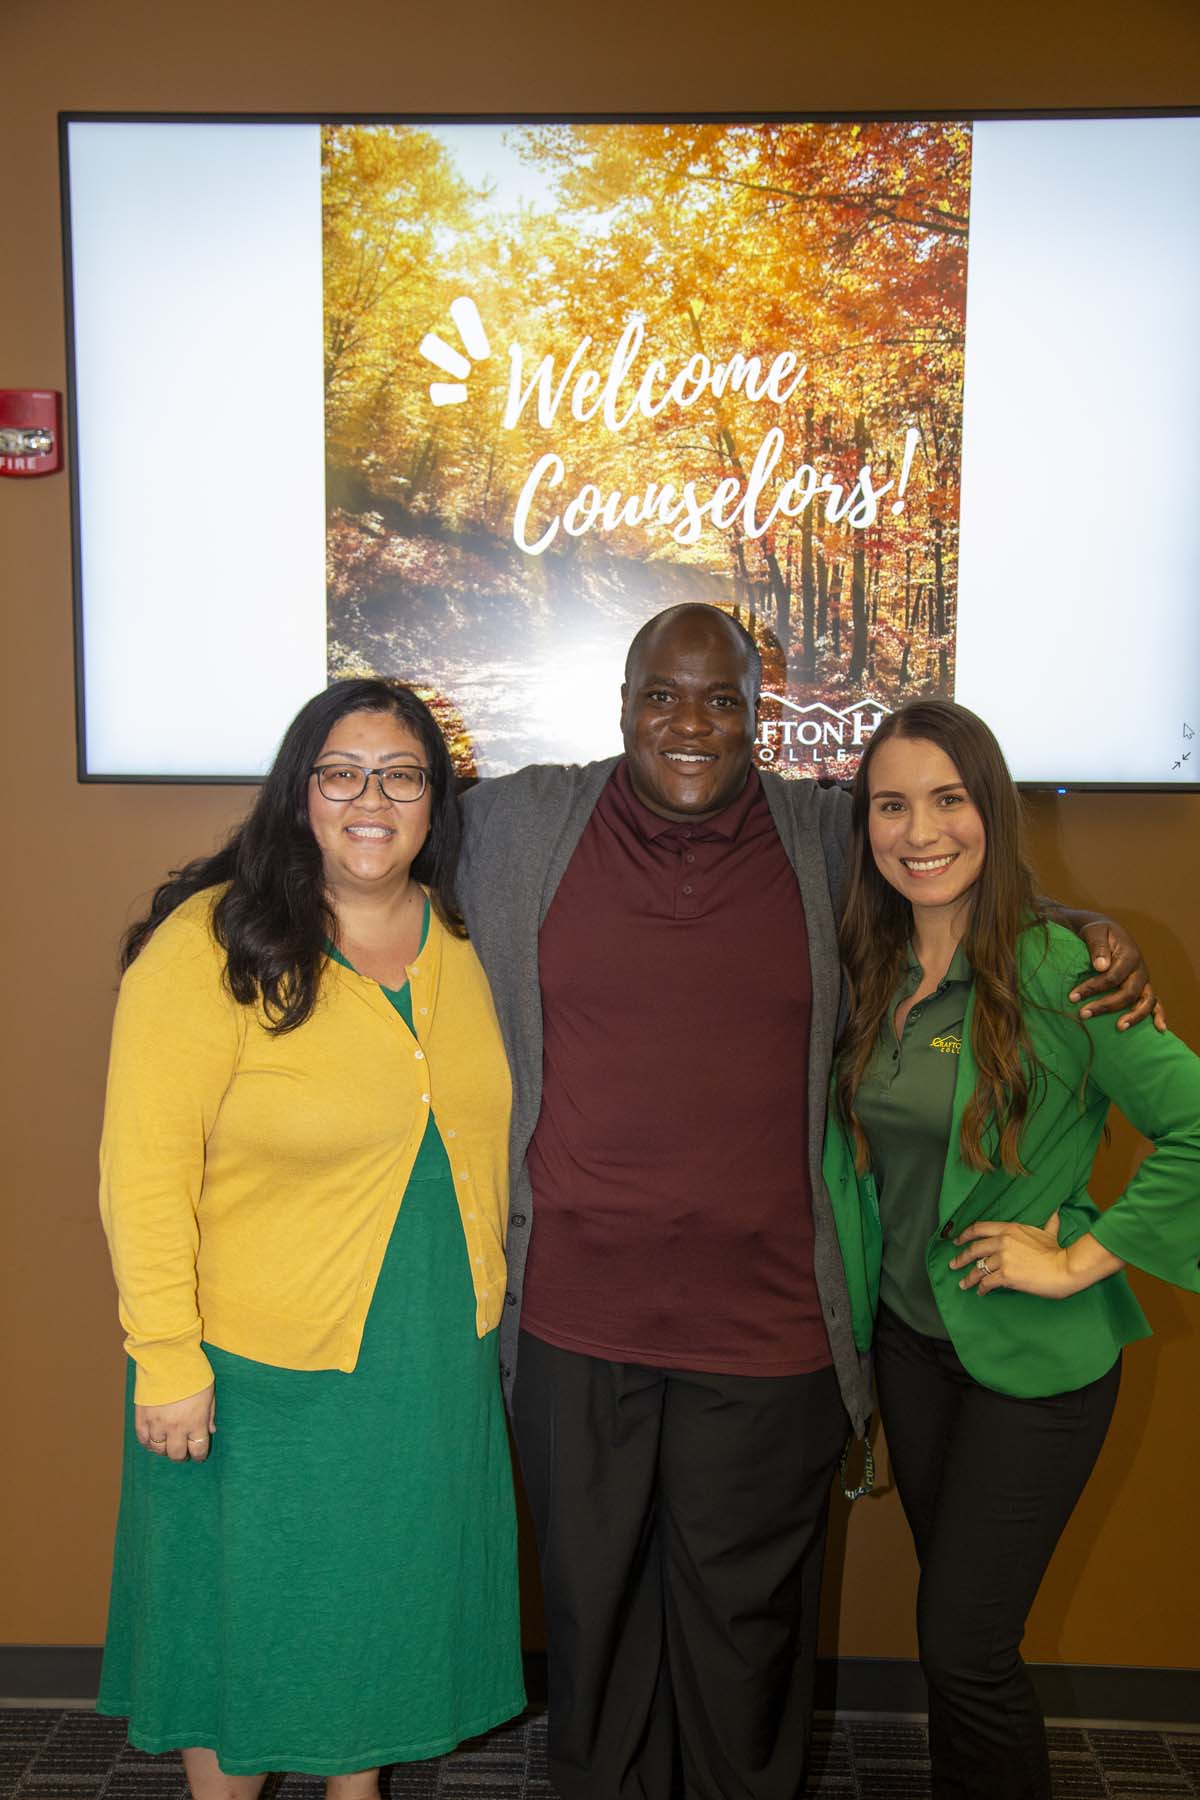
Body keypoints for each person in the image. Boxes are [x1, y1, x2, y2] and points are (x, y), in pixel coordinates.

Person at [456, 603, 1157, 1800]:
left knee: (749, 1648)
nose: (691, 724)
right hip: (576, 1324)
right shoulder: (522, 824)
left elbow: (942, 877)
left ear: (760, 715)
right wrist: (205, 908)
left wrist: (1082, 929)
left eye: (722, 699)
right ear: (621, 703)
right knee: (595, 1636)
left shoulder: (820, 835)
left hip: (770, 1334)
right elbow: (361, 834)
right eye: (662, 696)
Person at [97, 678, 524, 1799]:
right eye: (341, 773)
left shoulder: (465, 944)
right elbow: (142, 1172)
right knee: (245, 1643)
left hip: (427, 1361)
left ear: (436, 800)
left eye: (401, 775)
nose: (370, 799)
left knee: (379, 1616)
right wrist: (165, 1356)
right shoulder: (212, 943)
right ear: (300, 792)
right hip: (252, 1372)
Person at [824, 698, 1200, 1800]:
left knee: (965, 1649)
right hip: (914, 1348)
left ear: (990, 808)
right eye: (891, 805)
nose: (919, 829)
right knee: (962, 1640)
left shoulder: (1060, 969)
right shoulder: (873, 964)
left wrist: (1081, 1258)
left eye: (948, 799)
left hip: (1037, 1362)